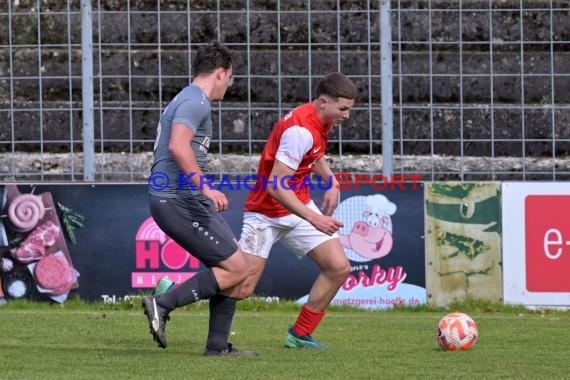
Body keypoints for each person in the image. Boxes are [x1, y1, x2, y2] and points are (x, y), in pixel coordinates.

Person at [142, 42, 257, 356]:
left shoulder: (188, 97)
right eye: (230, 78)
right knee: (237, 269)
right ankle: (162, 303)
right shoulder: (197, 102)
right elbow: (179, 147)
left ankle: (217, 346)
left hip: (181, 199)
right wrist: (206, 187)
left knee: (236, 269)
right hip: (179, 199)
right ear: (220, 73)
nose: (229, 86)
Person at [237, 72, 357, 348]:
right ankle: (174, 294)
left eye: (349, 109)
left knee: (338, 267)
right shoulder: (299, 130)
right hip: (266, 212)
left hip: (297, 206)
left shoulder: (319, 119)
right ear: (324, 102)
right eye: (344, 109)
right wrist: (315, 218)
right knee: (241, 288)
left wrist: (331, 181)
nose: (347, 116)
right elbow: (275, 187)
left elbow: (313, 154)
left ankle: (299, 334)